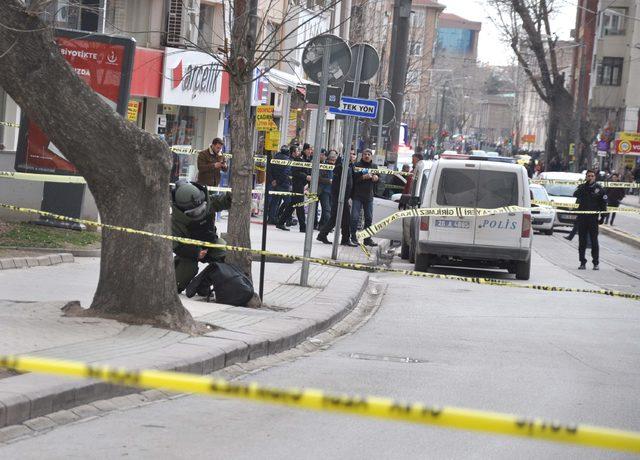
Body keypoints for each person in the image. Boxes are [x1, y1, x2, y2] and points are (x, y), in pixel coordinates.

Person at [171, 181, 232, 293]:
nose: (199, 213)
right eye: (194, 212)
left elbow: (223, 201)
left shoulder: (209, 202)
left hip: (211, 243)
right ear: (182, 210)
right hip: (189, 253)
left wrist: (231, 197)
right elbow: (175, 245)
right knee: (175, 287)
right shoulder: (175, 221)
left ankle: (204, 282)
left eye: (201, 208)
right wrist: (195, 252)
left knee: (226, 254)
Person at [317, 150, 356, 246]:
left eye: (353, 154)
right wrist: (341, 197)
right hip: (340, 197)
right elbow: (337, 184)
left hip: (343, 197)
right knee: (345, 218)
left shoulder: (349, 165)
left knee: (335, 218)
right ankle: (345, 239)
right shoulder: (341, 166)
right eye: (351, 154)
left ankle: (323, 234)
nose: (353, 156)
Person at [573, 169, 607, 270]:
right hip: (582, 218)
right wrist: (584, 186)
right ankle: (582, 262)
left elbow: (603, 204)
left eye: (592, 176)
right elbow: (575, 195)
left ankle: (595, 263)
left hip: (593, 218)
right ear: (586, 177)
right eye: (588, 176)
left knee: (594, 241)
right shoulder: (583, 187)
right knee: (582, 241)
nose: (590, 177)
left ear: (595, 177)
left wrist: (603, 217)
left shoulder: (599, 189)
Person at [351, 149, 379, 247]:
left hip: (368, 196)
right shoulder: (357, 165)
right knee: (354, 217)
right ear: (361, 156)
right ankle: (353, 237)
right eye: (365, 154)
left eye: (369, 154)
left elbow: (378, 178)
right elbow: (353, 179)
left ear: (371, 156)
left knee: (369, 218)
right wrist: (363, 177)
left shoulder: (374, 166)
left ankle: (367, 239)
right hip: (357, 195)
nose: (367, 156)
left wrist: (376, 178)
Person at [276, 145, 307, 232]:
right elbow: (295, 172)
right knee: (299, 206)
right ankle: (303, 227)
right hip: (296, 185)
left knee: (291, 205)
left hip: (298, 185)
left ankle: (281, 222)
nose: (298, 152)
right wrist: (306, 176)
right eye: (297, 151)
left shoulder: (300, 159)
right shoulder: (294, 161)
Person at [267, 146, 292, 224]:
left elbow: (269, 170)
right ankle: (287, 219)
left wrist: (273, 181)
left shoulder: (274, 159)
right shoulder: (287, 160)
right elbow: (285, 173)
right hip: (283, 184)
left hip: (275, 183)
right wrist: (277, 181)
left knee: (274, 201)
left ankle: (271, 218)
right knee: (289, 203)